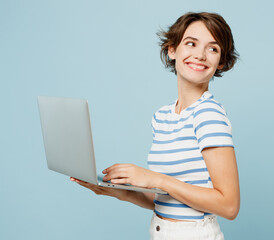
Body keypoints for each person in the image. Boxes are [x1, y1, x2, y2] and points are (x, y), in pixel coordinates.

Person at [71, 11, 240, 240]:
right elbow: (164, 200)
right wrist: (115, 191)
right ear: (172, 50)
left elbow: (229, 206)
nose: (200, 55)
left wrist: (157, 179)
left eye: (213, 48)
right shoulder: (162, 117)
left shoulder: (208, 114)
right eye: (191, 43)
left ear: (220, 62)